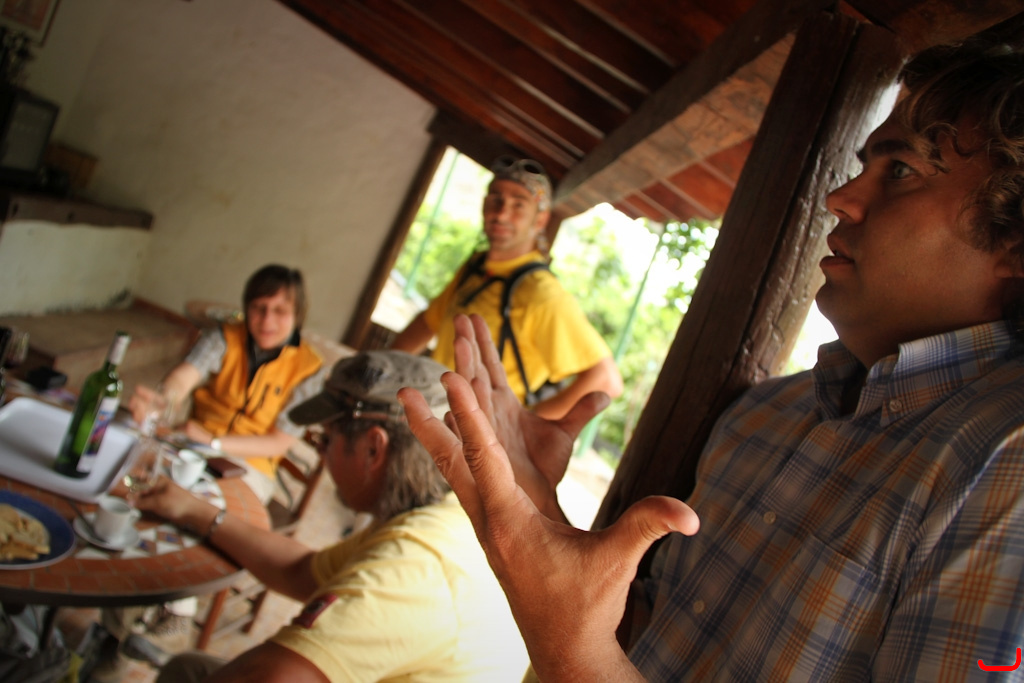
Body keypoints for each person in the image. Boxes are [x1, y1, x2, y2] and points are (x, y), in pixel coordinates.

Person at [399, 38, 1024, 682]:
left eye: (901, 172)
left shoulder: (1005, 470)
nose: (840, 197)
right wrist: (537, 507)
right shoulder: (764, 417)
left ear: (1015, 239)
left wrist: (565, 649)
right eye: (864, 165)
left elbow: (583, 652)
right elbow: (652, 638)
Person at [132, 350, 529, 683]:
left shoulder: (416, 561)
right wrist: (195, 511)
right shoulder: (444, 516)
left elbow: (274, 677)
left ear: (373, 449)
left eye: (325, 440)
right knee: (187, 668)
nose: (322, 456)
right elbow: (303, 572)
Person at [390, 155, 623, 419]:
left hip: (478, 431)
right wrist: (382, 369)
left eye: (518, 205)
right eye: (496, 199)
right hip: (434, 414)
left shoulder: (541, 293)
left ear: (540, 220)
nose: (501, 213)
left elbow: (605, 379)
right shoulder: (476, 267)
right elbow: (428, 322)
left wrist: (525, 428)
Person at [129, 264, 325, 503]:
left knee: (207, 509)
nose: (267, 320)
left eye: (280, 311)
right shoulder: (224, 337)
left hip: (250, 465)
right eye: (259, 308)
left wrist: (214, 443)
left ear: (297, 315)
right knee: (142, 477)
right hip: (192, 442)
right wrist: (165, 399)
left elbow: (278, 442)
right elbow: (184, 377)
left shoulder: (310, 369)